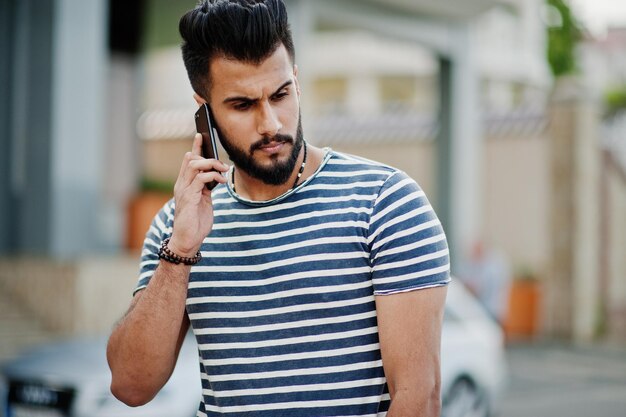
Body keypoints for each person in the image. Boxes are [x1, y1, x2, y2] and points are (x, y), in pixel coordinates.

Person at [106, 1, 450, 416]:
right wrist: (180, 249)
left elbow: (418, 399)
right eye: (242, 105)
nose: (270, 123)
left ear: (297, 82)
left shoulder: (386, 204)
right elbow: (130, 384)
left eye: (280, 94)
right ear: (204, 110)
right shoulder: (179, 225)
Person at [460, 240, 511, 324]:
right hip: (494, 309)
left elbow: (480, 288)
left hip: (490, 310)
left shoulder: (490, 267)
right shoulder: (486, 265)